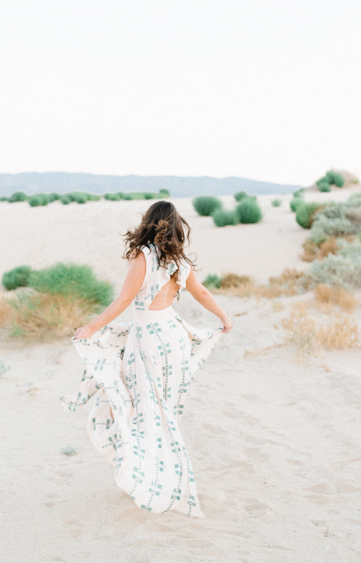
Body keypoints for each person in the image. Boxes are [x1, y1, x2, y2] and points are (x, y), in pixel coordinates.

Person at [60, 200, 233, 518]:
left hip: (150, 341)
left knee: (141, 411)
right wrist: (224, 317)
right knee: (160, 412)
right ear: (176, 227)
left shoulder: (144, 257)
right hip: (174, 338)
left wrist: (91, 327)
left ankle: (149, 479)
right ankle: (155, 475)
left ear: (148, 223)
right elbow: (203, 294)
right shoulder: (179, 262)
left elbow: (124, 300)